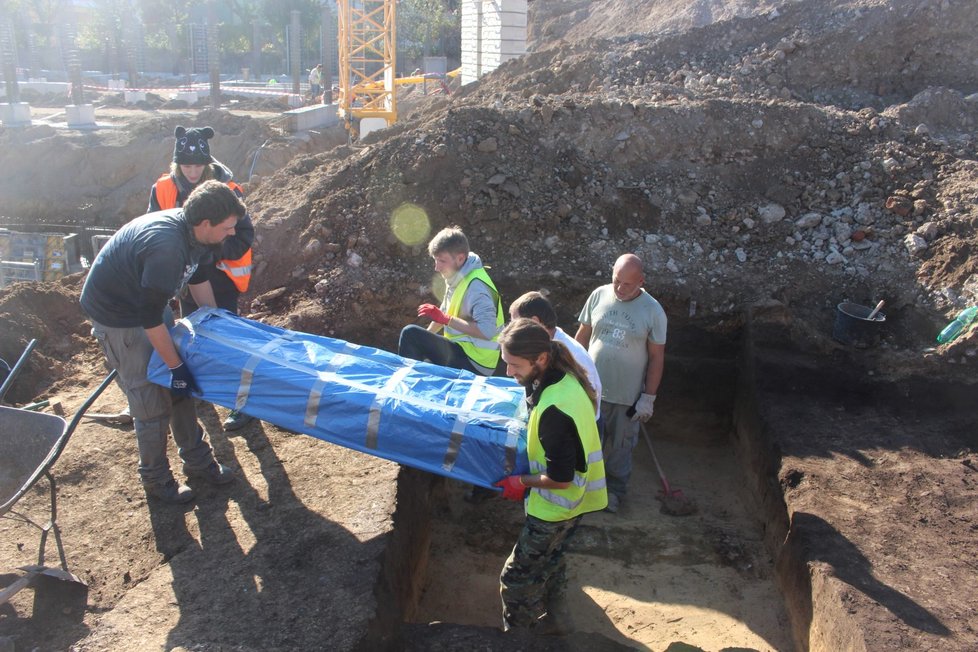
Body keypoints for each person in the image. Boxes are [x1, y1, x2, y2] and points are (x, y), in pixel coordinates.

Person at [80, 181, 247, 505]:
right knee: (150, 400)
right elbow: (149, 317)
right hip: (120, 317)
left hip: (148, 303)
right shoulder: (167, 247)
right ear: (205, 224)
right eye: (227, 228)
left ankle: (198, 462)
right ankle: (156, 481)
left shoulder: (196, 236)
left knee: (181, 391)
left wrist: (216, 326)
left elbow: (197, 278)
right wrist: (176, 366)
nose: (231, 233)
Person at [493, 318, 607, 633]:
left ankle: (520, 640)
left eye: (514, 365)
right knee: (552, 564)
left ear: (540, 359)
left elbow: (561, 477)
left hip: (555, 507)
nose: (508, 372)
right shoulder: (566, 378)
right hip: (576, 505)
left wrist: (521, 482)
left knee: (515, 579)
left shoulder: (554, 410)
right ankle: (557, 625)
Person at [148, 125, 256, 432]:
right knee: (193, 337)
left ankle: (240, 403)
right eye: (186, 166)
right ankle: (200, 390)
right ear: (177, 164)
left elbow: (243, 235)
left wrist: (208, 255)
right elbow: (155, 227)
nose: (192, 172)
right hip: (184, 277)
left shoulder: (227, 190)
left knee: (227, 339)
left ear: (207, 164)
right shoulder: (163, 189)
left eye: (197, 166)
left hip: (220, 279)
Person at [574, 253, 667, 514]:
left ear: (641, 281)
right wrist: (569, 370)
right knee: (586, 442)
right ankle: (582, 489)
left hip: (626, 396)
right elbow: (581, 338)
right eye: (616, 281)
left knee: (619, 447)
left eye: (627, 284)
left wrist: (648, 397)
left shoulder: (653, 311)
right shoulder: (599, 295)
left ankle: (613, 492)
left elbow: (657, 357)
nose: (619, 289)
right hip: (590, 390)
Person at [398, 226, 504, 377]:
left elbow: (487, 331)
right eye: (435, 260)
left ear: (460, 258)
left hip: (476, 363)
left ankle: (406, 386)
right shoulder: (458, 274)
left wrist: (445, 320)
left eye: (442, 261)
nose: (437, 267)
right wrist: (425, 340)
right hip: (463, 350)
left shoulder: (477, 288)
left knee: (410, 333)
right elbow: (444, 315)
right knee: (415, 339)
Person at [508, 291, 602, 420]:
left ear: (534, 321)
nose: (512, 328)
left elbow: (587, 404)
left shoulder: (573, 355)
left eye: (515, 322)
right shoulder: (541, 346)